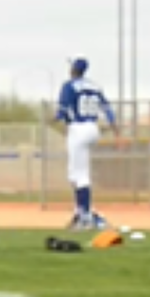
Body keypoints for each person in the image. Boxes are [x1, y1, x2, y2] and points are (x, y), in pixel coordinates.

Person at [53, 56, 118, 230]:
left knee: (79, 175)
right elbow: (107, 109)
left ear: (74, 69)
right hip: (93, 127)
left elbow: (62, 110)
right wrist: (115, 129)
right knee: (76, 173)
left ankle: (85, 215)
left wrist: (53, 119)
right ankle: (81, 211)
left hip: (78, 129)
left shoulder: (69, 85)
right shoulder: (95, 86)